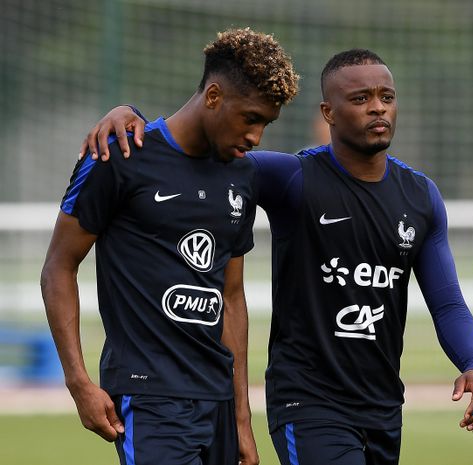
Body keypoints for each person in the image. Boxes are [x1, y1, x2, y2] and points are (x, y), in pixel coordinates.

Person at [81, 49, 473, 465]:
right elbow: (200, 146)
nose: (377, 108)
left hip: (383, 404)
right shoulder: (292, 178)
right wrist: (130, 114)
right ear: (328, 112)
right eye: (360, 98)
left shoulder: (421, 197)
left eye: (386, 97)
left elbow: (448, 301)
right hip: (307, 401)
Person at [41, 27, 299, 465]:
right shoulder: (120, 153)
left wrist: (241, 417)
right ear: (214, 97)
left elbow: (231, 298)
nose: (256, 137)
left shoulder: (242, 176)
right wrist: (78, 382)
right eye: (250, 118)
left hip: (216, 400)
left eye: (265, 124)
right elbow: (58, 267)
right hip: (149, 396)